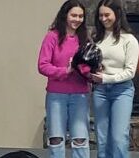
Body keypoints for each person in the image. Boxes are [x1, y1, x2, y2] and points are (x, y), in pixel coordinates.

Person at [37, 1, 90, 158]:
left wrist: (89, 69)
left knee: (80, 139)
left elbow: (87, 67)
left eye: (81, 16)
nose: (77, 19)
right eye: (74, 15)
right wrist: (65, 71)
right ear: (65, 15)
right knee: (56, 139)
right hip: (56, 95)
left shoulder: (85, 39)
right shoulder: (52, 37)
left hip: (80, 95)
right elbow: (42, 65)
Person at [90, 0, 139, 158]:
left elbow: (130, 72)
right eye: (100, 15)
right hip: (100, 91)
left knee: (118, 138)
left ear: (117, 14)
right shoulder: (96, 38)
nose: (103, 19)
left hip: (122, 91)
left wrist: (106, 78)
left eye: (107, 15)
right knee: (102, 138)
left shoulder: (129, 40)